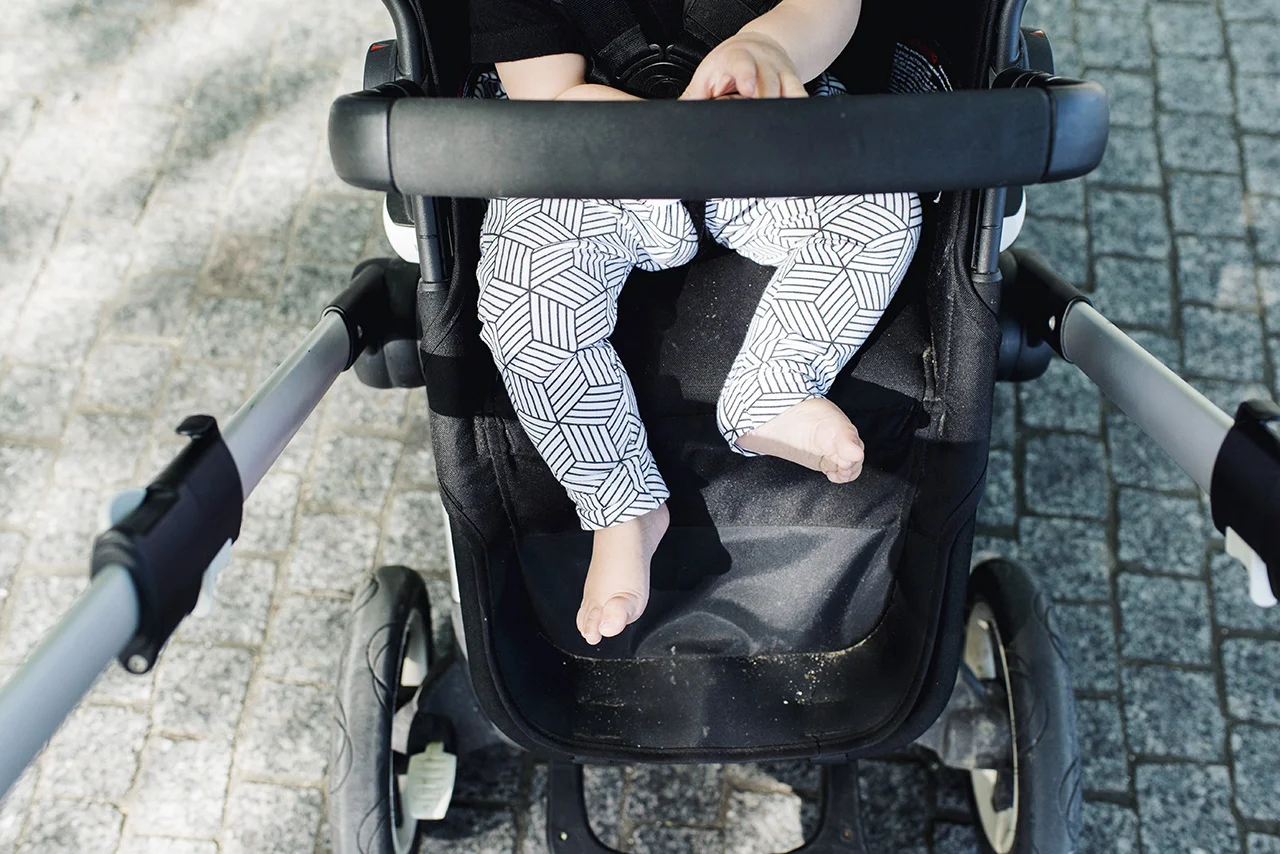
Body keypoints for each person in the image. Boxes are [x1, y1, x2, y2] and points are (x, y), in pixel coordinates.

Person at [471, 0, 923, 645]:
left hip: (762, 136)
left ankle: (775, 387)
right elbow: (547, 92)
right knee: (528, 293)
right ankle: (620, 506)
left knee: (877, 202)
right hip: (595, 156)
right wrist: (662, 132)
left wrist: (772, 45)